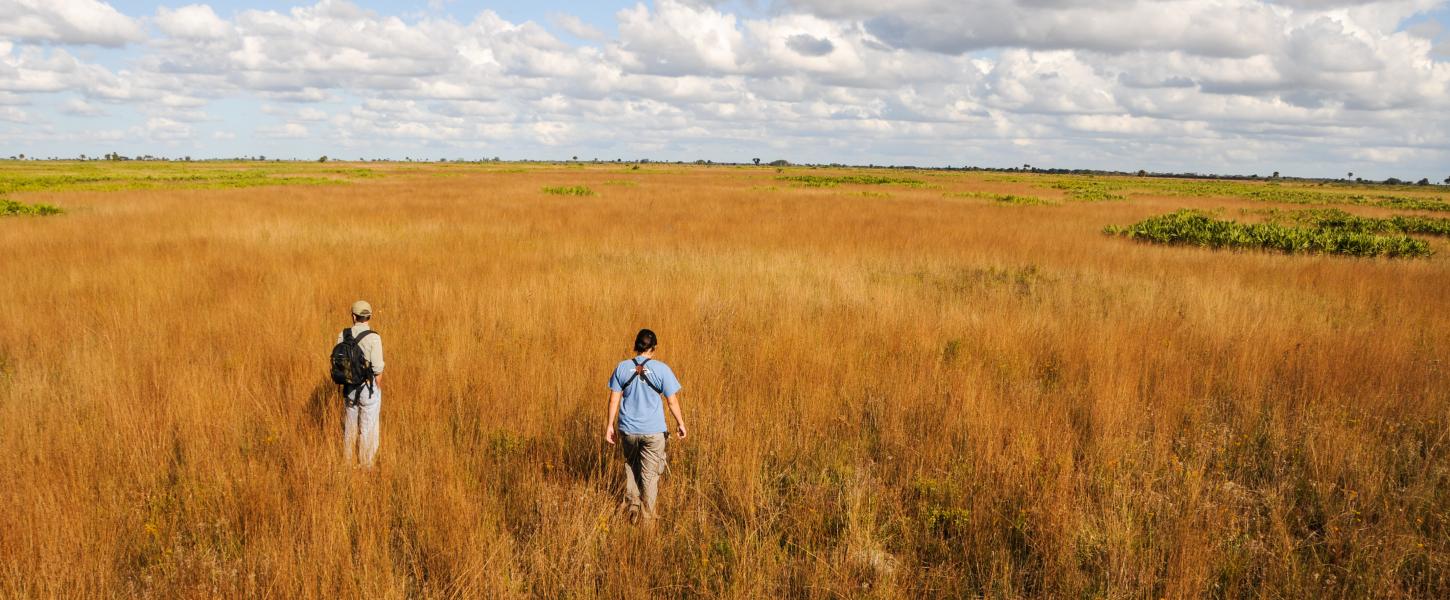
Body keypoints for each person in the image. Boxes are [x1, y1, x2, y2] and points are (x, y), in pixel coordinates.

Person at [604, 328, 687, 523]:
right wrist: (681, 423)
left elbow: (613, 400)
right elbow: (672, 402)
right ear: (654, 348)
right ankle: (647, 519)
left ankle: (632, 509)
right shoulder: (662, 369)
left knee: (631, 466)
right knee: (649, 475)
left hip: (628, 430)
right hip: (654, 432)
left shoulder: (622, 367)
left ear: (636, 345)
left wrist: (610, 425)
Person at [339, 300, 385, 468]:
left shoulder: (343, 335)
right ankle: (366, 465)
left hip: (349, 388)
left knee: (350, 427)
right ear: (370, 317)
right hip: (368, 388)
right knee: (367, 428)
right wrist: (376, 388)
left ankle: (347, 461)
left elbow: (339, 362)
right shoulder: (374, 337)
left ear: (353, 316)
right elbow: (378, 367)